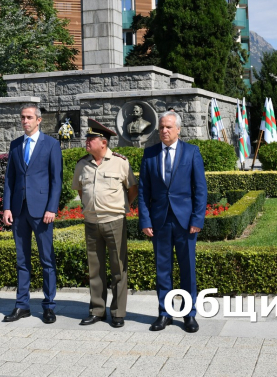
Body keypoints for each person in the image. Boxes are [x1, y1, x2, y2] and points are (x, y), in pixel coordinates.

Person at [137, 110, 207, 333]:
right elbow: (143, 191)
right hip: (159, 222)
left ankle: (189, 314)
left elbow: (200, 189)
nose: (164, 131)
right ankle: (165, 313)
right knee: (162, 270)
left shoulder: (191, 153)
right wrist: (145, 220)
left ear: (178, 129)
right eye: (161, 128)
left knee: (187, 270)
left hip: (185, 222)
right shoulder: (150, 154)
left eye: (168, 127)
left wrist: (197, 218)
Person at [72, 119, 137, 328]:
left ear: (103, 143)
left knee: (119, 268)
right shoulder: (82, 164)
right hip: (91, 222)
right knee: (95, 268)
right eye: (87, 138)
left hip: (115, 221)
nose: (86, 142)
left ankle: (118, 312)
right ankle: (97, 310)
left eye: (90, 139)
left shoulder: (120, 162)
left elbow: (132, 188)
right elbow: (80, 190)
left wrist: (121, 206)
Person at [2, 103, 63, 324]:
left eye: (29, 117)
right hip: (19, 210)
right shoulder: (16, 145)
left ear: (39, 120)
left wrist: (51, 208)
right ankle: (22, 305)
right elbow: (10, 178)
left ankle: (48, 306)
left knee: (47, 260)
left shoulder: (51, 144)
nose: (25, 121)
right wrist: (7, 207)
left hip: (42, 211)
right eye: (22, 118)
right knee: (22, 260)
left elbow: (57, 180)